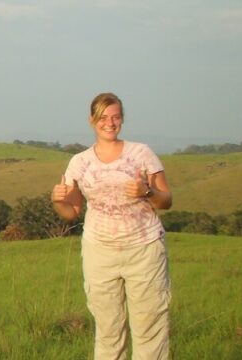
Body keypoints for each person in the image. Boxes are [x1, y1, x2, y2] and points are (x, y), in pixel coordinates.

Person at [52, 93, 173, 359]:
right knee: (108, 330)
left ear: (122, 119)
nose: (110, 123)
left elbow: (166, 200)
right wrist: (57, 200)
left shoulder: (142, 154)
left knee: (150, 328)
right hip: (100, 252)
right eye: (103, 117)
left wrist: (147, 192)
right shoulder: (79, 163)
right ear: (92, 120)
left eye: (116, 117)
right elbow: (71, 212)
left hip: (144, 251)